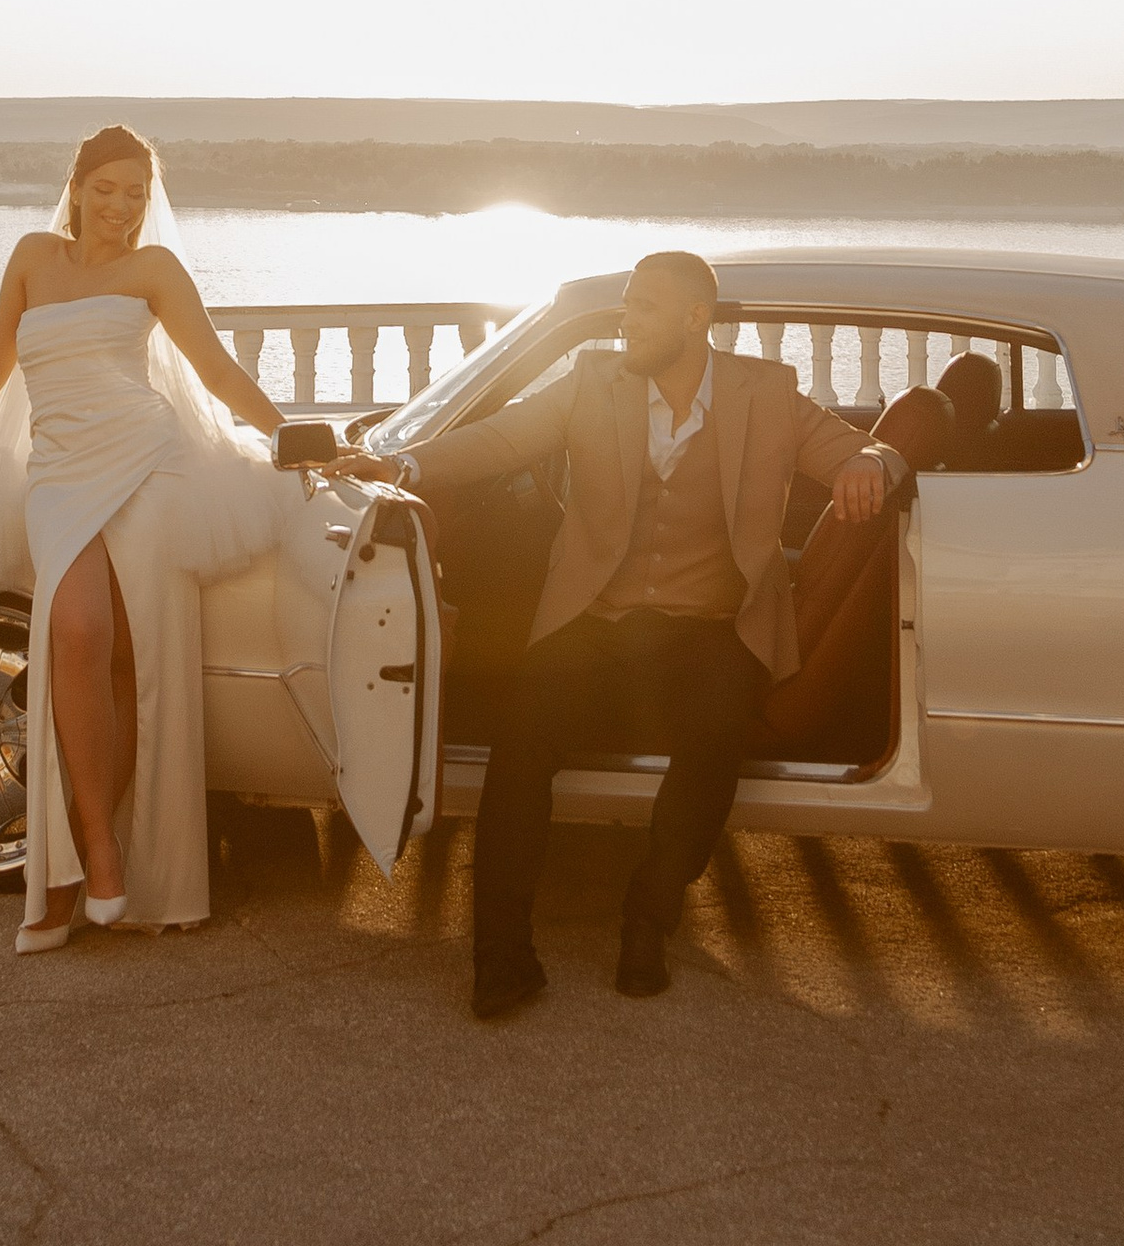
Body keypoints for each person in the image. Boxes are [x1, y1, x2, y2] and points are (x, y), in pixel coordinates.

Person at [371, 248, 911, 1017]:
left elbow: (863, 448)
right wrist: (399, 467)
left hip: (714, 626)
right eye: (626, 305)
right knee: (520, 741)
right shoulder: (593, 382)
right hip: (598, 621)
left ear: (696, 318)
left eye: (644, 307)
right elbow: (500, 439)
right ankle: (501, 955)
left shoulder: (768, 391)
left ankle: (648, 917)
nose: (627, 320)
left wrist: (870, 460)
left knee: (715, 732)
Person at [0, 123, 294, 953]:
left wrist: (293, 435)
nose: (120, 207)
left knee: (134, 661)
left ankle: (113, 870)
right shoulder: (34, 256)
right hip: (62, 473)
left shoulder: (154, 269)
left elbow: (216, 371)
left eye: (136, 194)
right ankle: (86, 856)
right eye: (106, 189)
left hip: (150, 462)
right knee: (76, 634)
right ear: (75, 187)